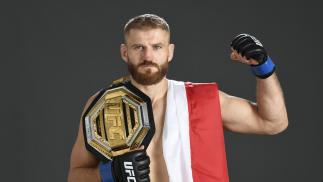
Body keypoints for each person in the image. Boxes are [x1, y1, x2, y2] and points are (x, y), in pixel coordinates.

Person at [67, 14, 288, 182]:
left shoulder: (203, 99)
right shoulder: (104, 104)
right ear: (125, 52)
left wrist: (263, 68)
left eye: (157, 47)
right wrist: (109, 173)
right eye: (138, 47)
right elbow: (75, 175)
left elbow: (274, 123)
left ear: (170, 51)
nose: (148, 56)